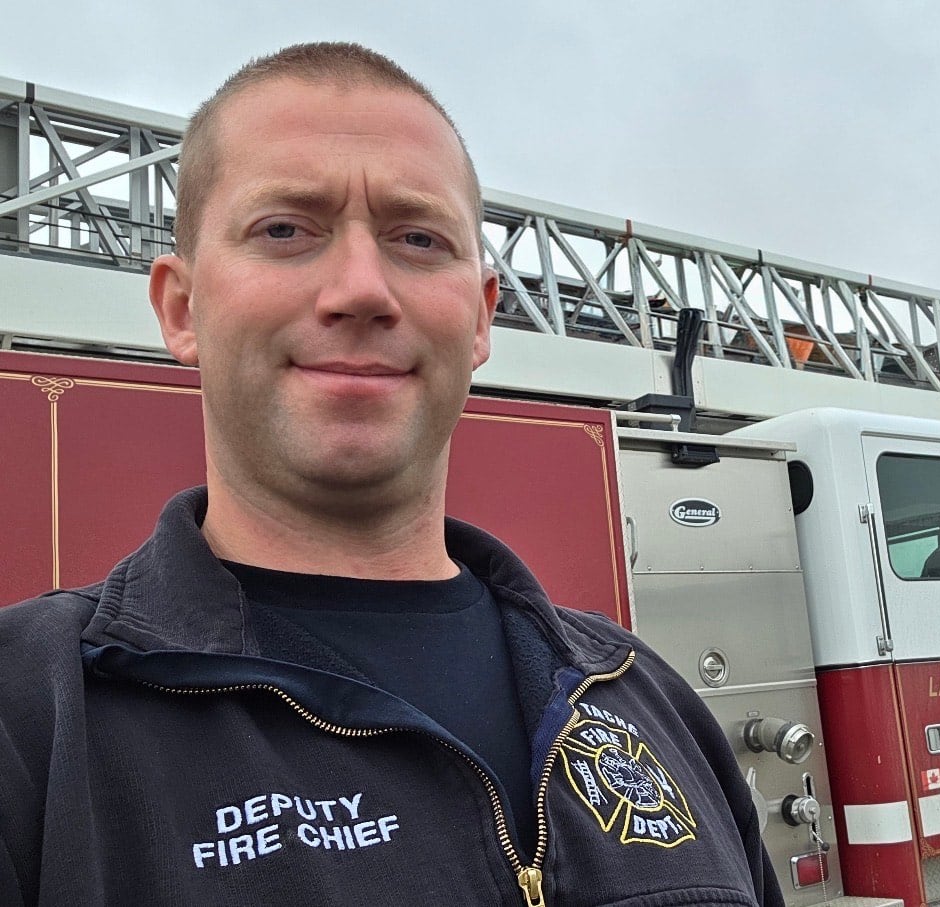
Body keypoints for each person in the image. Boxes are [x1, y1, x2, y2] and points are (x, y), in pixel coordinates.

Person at [0, 43, 783, 905]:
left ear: (481, 320)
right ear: (181, 308)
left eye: (417, 237)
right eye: (285, 230)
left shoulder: (649, 698)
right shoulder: (33, 721)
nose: (363, 288)